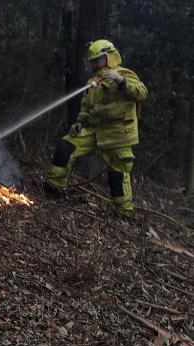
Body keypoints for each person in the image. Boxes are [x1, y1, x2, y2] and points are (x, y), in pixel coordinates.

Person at [43, 39, 148, 216]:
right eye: (92, 61)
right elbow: (87, 106)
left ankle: (124, 212)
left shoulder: (124, 74)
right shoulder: (94, 82)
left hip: (118, 133)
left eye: (97, 60)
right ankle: (53, 187)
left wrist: (121, 81)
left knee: (118, 175)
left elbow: (142, 93)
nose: (94, 64)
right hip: (95, 130)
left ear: (109, 57)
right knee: (66, 146)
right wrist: (79, 123)